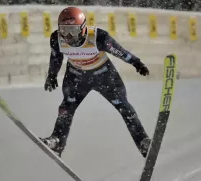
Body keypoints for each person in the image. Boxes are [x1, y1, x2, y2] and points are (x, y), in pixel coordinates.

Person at [39, 6, 151, 158]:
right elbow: (56, 58)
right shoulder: (56, 38)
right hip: (77, 77)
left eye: (73, 30)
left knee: (124, 107)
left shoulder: (99, 37)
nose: (69, 36)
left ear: (84, 28)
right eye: (64, 31)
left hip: (104, 76)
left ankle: (143, 141)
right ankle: (58, 140)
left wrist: (137, 63)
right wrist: (51, 76)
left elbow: (120, 51)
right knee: (66, 108)